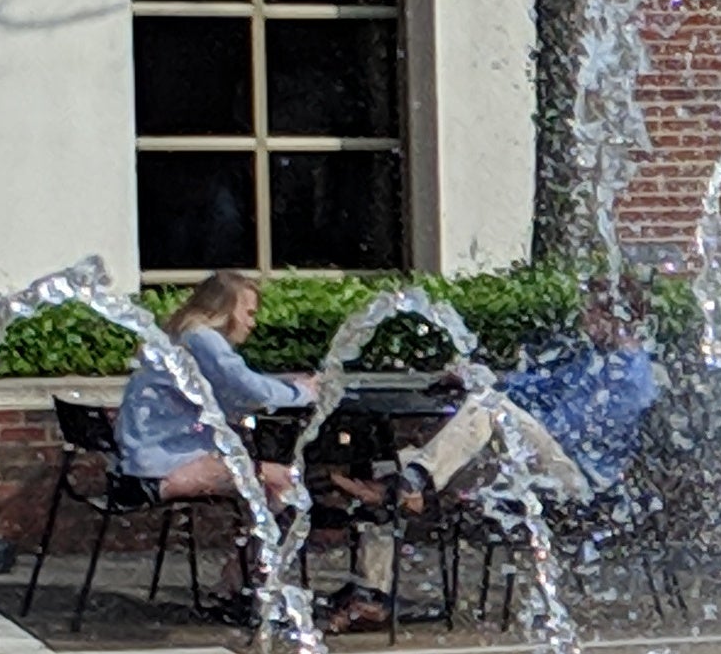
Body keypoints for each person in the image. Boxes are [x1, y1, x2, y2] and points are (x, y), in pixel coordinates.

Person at [116, 269, 391, 633]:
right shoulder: (202, 339)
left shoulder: (180, 338)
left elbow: (236, 387)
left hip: (147, 460)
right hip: (165, 466)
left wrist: (287, 387)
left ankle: (238, 586)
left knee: (275, 487)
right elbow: (251, 392)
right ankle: (252, 593)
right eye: (248, 312)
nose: (252, 323)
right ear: (224, 309)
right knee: (288, 488)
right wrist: (307, 392)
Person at [391, 275, 661, 513]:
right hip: (554, 456)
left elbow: (571, 432)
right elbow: (544, 386)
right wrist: (488, 377)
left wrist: (511, 409)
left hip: (582, 476)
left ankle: (408, 478)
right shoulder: (594, 358)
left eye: (592, 312)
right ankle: (394, 487)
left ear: (617, 318)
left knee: (488, 409)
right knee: (473, 435)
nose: (584, 319)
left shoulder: (630, 376)